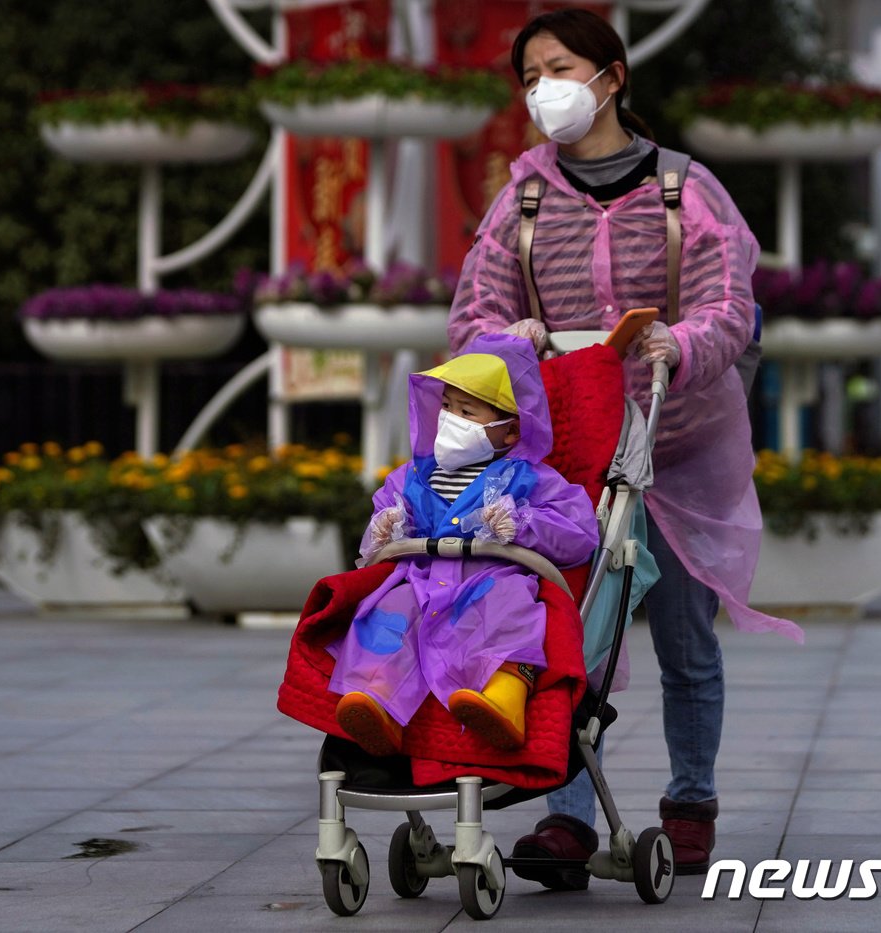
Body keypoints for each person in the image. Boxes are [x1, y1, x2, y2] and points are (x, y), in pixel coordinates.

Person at [446, 8, 802, 883]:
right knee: (565, 637)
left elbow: (730, 301)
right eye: (529, 78)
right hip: (569, 460)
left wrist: (679, 344)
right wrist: (510, 337)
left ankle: (690, 804)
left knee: (686, 643)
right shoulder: (520, 198)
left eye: (558, 69)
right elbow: (472, 314)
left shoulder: (688, 190)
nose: (542, 92)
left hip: (676, 451)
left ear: (611, 76)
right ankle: (566, 817)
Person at [327, 333, 598, 756]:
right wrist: (385, 528)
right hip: (420, 579)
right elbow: (379, 526)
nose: (451, 418)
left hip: (490, 578)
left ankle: (503, 698)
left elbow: (580, 533)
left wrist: (523, 522)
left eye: (467, 412)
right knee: (387, 612)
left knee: (510, 610)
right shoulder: (411, 476)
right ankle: (375, 700)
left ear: (508, 432)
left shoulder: (530, 478)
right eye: (448, 407)